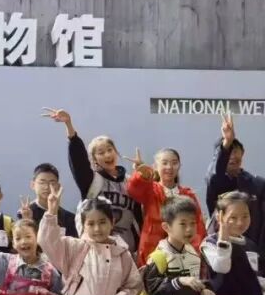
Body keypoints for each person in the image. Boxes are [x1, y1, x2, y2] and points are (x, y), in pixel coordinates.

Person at [42, 107, 142, 251]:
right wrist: (69, 127)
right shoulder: (92, 180)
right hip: (96, 249)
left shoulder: (131, 182)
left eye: (110, 150)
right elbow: (79, 161)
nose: (107, 155)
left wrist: (143, 175)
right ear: (94, 160)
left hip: (126, 250)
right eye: (101, 152)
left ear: (116, 152)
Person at [126, 147, 207, 266]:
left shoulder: (188, 195)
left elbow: (198, 226)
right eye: (164, 163)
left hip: (185, 255)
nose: (169, 167)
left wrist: (195, 253)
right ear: (155, 166)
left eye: (174, 163)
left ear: (179, 166)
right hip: (153, 252)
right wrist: (143, 175)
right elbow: (134, 190)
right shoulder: (151, 190)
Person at [204, 112, 265, 254]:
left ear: (243, 153)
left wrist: (262, 254)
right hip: (221, 247)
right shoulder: (215, 182)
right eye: (229, 151)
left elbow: (264, 225)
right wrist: (227, 143)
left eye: (236, 151)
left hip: (250, 249)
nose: (232, 156)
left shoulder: (257, 184)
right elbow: (216, 173)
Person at [22, 163, 78, 238]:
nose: (46, 187)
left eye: (52, 183)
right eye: (42, 182)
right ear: (32, 185)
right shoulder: (26, 213)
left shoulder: (69, 218)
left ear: (58, 186)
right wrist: (28, 221)